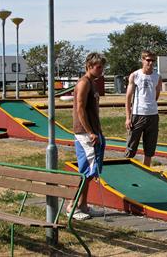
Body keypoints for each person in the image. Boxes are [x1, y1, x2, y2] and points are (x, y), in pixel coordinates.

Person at [66, 52, 106, 220]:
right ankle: (72, 206)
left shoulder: (92, 83)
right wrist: (90, 132)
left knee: (91, 171)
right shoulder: (83, 83)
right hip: (85, 133)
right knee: (86, 171)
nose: (102, 70)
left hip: (93, 131)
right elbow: (80, 109)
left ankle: (83, 205)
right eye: (99, 67)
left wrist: (98, 131)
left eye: (103, 67)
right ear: (89, 66)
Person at [125, 50, 162, 166]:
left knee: (150, 148)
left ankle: (147, 170)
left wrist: (151, 106)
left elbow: (156, 95)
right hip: (137, 114)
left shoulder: (157, 77)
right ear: (142, 60)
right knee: (131, 145)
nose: (150, 63)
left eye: (153, 61)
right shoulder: (135, 75)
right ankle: (127, 169)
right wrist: (128, 117)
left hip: (153, 115)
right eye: (148, 60)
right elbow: (128, 98)